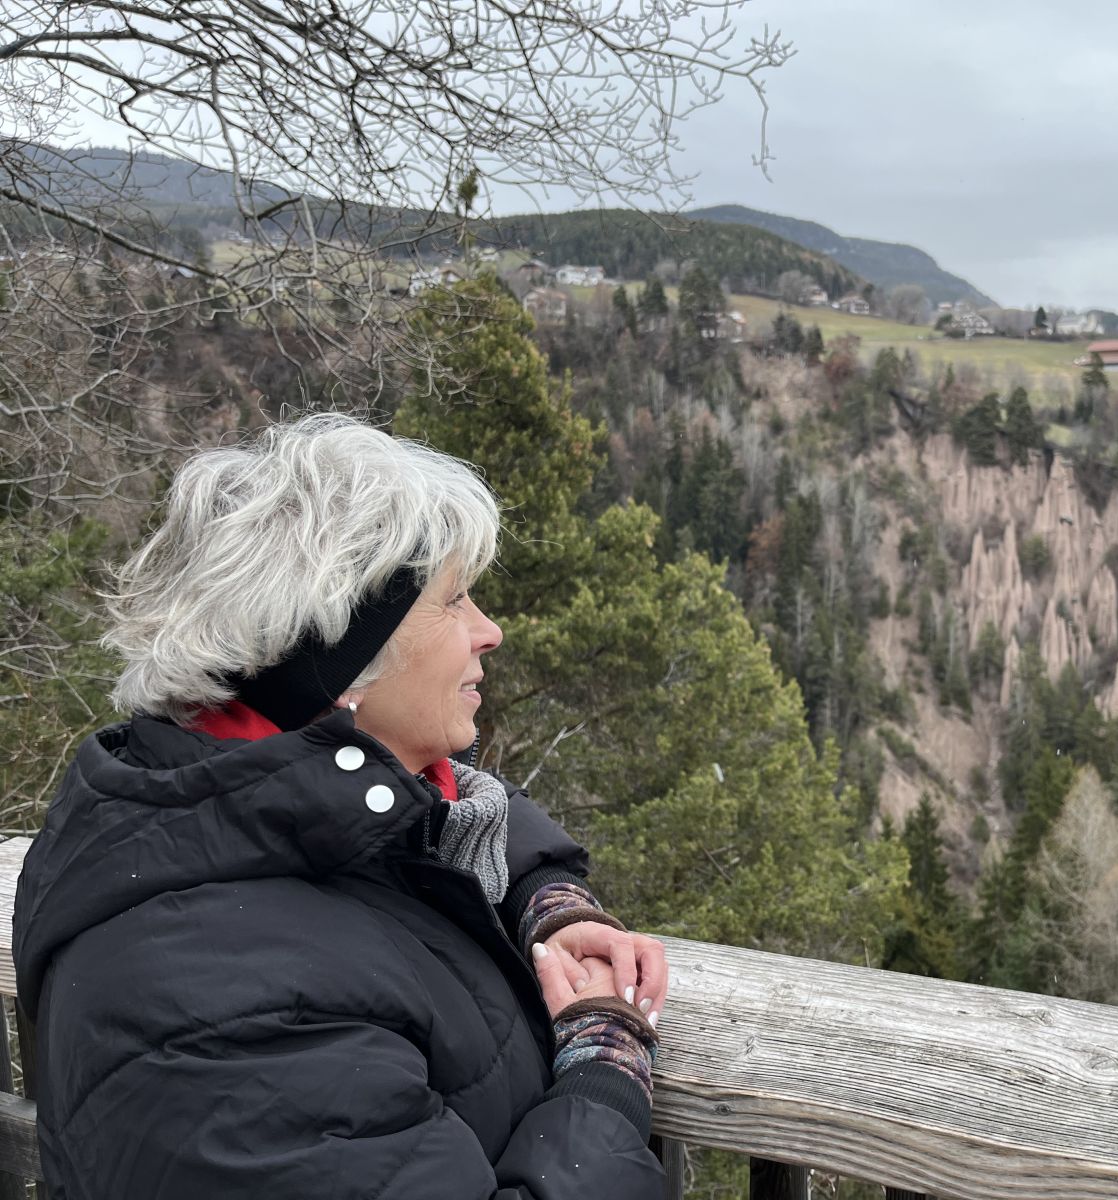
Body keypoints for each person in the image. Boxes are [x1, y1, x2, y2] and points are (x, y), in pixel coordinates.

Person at [13, 414, 669, 1198]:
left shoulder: (200, 796)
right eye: (454, 600)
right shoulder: (223, 1018)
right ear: (338, 659)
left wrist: (546, 901)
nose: (489, 631)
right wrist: (604, 1069)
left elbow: (427, 815)